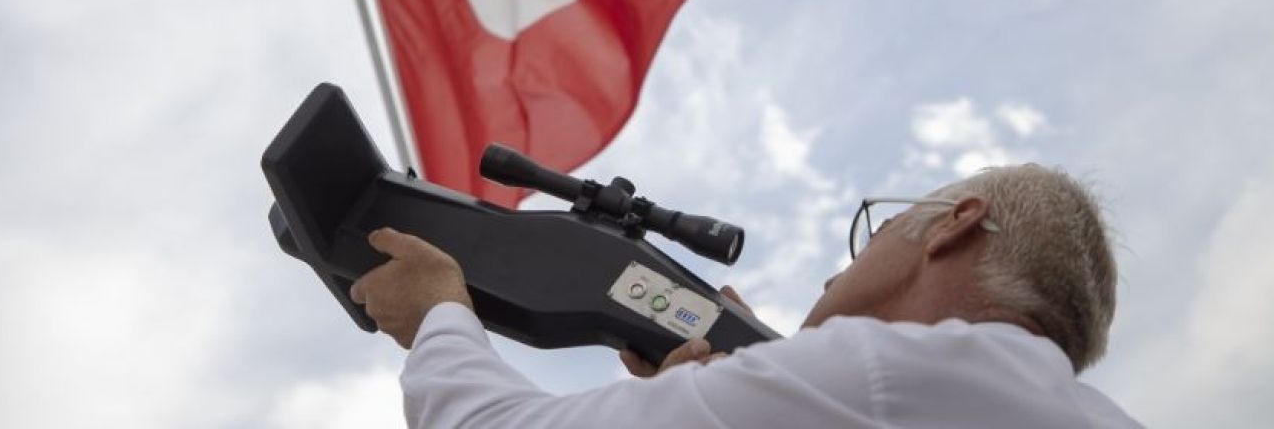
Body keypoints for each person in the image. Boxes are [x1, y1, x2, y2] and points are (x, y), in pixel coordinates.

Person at [349, 164, 1143, 427]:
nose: (836, 276)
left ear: (954, 227)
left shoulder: (884, 374)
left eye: (878, 230)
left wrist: (437, 315)